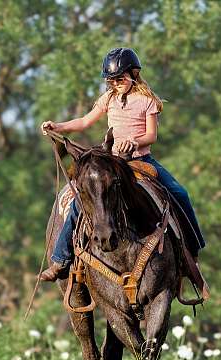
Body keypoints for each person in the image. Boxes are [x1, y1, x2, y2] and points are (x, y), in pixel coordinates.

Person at [39, 47, 205, 281]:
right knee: (81, 202)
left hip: (141, 160)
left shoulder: (147, 101)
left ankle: (192, 252)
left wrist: (133, 142)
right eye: (111, 81)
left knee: (179, 192)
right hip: (114, 162)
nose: (115, 84)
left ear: (133, 74)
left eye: (119, 79)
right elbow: (85, 121)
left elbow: (151, 136)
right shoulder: (108, 99)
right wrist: (58, 126)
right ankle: (60, 260)